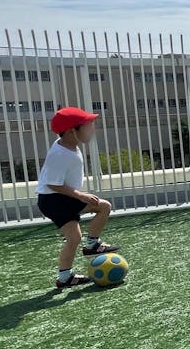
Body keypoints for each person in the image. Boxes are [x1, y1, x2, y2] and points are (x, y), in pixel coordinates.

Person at [36, 107, 119, 289]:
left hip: (60, 198)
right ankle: (71, 270)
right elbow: (52, 184)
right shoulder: (60, 154)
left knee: (102, 208)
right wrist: (81, 195)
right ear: (73, 131)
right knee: (75, 237)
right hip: (54, 200)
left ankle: (90, 248)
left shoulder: (67, 144)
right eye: (88, 126)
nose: (93, 129)